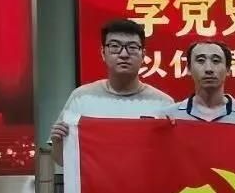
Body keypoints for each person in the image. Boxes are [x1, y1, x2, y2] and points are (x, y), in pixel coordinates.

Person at [49, 19, 173, 166]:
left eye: (132, 47)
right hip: (96, 181)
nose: (124, 54)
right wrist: (57, 143)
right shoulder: (81, 97)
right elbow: (63, 161)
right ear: (103, 53)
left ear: (143, 55)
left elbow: (171, 159)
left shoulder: (163, 103)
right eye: (115, 46)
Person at [159, 40, 235, 125]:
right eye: (200, 60)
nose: (209, 69)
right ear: (189, 68)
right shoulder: (168, 116)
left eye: (216, 61)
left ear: (228, 69)